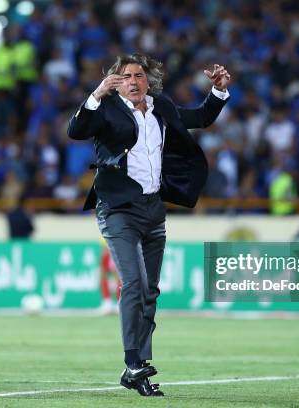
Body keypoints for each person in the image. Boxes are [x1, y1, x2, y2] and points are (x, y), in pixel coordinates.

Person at [67, 53, 230, 396]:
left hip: (153, 209)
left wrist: (217, 92)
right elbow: (76, 130)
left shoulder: (161, 106)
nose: (134, 81)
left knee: (150, 290)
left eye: (139, 75)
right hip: (118, 209)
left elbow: (199, 117)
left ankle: (137, 370)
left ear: (148, 80)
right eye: (126, 76)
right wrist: (96, 95)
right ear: (116, 82)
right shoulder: (106, 108)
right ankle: (132, 360)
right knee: (134, 283)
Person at [98, 236, 120, 314]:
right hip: (112, 282)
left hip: (122, 284)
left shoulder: (117, 255)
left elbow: (118, 276)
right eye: (103, 248)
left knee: (120, 281)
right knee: (102, 279)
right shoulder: (104, 256)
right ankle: (107, 303)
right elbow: (102, 273)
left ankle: (120, 303)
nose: (104, 250)